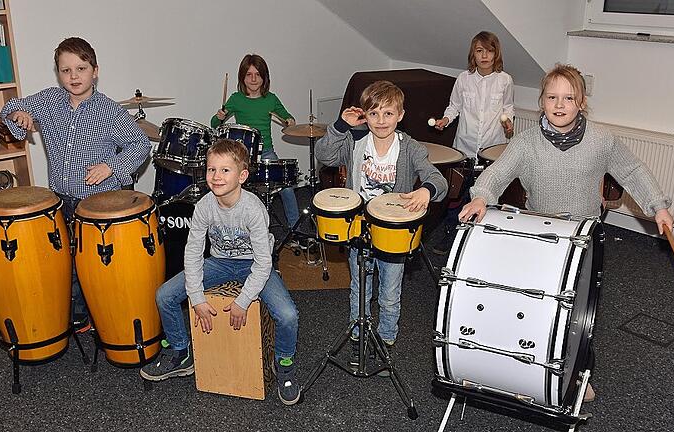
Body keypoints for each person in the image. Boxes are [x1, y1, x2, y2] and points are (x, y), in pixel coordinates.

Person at [458, 64, 674, 402]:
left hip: (583, 240)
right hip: (540, 239)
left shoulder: (602, 140)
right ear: (541, 101)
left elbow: (633, 171)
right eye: (552, 97)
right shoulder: (526, 142)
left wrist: (657, 205)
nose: (560, 105)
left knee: (579, 316)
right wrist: (482, 196)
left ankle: (578, 375)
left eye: (569, 98)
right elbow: (497, 174)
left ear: (581, 102)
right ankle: (522, 368)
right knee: (531, 307)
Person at [0, 37, 151, 333]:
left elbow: (141, 144)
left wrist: (113, 166)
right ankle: (77, 316)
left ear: (95, 70)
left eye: (81, 68)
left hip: (95, 204)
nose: (73, 76)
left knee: (94, 265)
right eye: (65, 70)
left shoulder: (109, 112)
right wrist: (18, 115)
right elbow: (12, 107)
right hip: (59, 198)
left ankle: (103, 315)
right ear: (57, 73)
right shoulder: (49, 101)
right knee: (63, 262)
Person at [140, 139, 301, 405]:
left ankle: (284, 363)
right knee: (164, 295)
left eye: (225, 170)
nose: (216, 176)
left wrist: (242, 301)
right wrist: (197, 298)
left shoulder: (253, 209)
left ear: (243, 176)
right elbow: (192, 252)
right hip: (220, 262)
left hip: (254, 263)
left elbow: (263, 262)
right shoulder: (204, 205)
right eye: (211, 169)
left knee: (287, 314)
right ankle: (181, 352)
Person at [315, 81, 447, 367]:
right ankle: (358, 335)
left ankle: (385, 338)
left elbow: (438, 180)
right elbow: (324, 156)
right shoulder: (354, 141)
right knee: (359, 288)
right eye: (374, 114)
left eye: (388, 114)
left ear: (400, 115)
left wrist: (426, 190)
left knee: (389, 293)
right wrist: (341, 125)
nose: (381, 120)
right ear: (365, 115)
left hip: (393, 233)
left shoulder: (409, 147)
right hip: (358, 227)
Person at [431, 31, 514, 254]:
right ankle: (452, 234)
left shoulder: (505, 80)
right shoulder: (463, 79)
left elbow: (508, 109)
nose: (484, 55)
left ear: (496, 53)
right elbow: (454, 106)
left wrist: (509, 124)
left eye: (489, 50)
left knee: (488, 194)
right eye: (479, 51)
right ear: (473, 54)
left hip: (490, 147)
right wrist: (445, 120)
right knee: (457, 194)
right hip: (464, 147)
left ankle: (483, 239)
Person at [211, 54, 305, 247]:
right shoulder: (236, 99)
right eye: (248, 75)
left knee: (287, 187)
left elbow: (289, 118)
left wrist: (289, 121)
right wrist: (219, 116)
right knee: (234, 189)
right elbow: (214, 124)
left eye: (257, 75)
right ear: (242, 78)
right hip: (241, 156)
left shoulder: (271, 100)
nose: (253, 79)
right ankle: (235, 231)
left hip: (267, 152)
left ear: (264, 77)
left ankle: (296, 231)